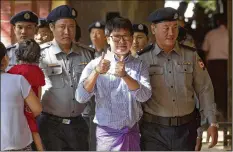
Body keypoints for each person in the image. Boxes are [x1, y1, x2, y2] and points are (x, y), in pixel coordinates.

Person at [139, 7, 218, 151]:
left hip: (186, 131)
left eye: (175, 27)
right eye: (166, 28)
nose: (171, 33)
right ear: (154, 29)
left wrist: (212, 123)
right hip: (153, 131)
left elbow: (205, 89)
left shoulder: (191, 56)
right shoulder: (142, 59)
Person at [75, 17, 152, 151]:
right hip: (107, 136)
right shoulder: (95, 64)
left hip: (132, 133)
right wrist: (96, 72)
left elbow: (144, 96)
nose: (121, 41)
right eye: (116, 37)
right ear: (108, 38)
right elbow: (80, 97)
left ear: (132, 38)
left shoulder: (140, 65)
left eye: (126, 36)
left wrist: (125, 76)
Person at [38, 5, 94, 151]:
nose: (67, 32)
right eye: (62, 27)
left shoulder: (88, 54)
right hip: (50, 125)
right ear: (51, 27)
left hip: (79, 124)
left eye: (71, 27)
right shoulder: (41, 55)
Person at [1, 41, 42, 151]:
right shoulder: (18, 79)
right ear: (5, 58)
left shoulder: (13, 72)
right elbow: (37, 107)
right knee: (34, 130)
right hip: (17, 144)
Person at [202, 13, 228, 121]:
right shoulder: (229, 33)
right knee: (226, 87)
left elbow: (205, 49)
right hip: (227, 64)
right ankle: (225, 109)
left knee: (214, 87)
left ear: (217, 22)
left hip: (213, 64)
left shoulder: (211, 34)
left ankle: (216, 110)